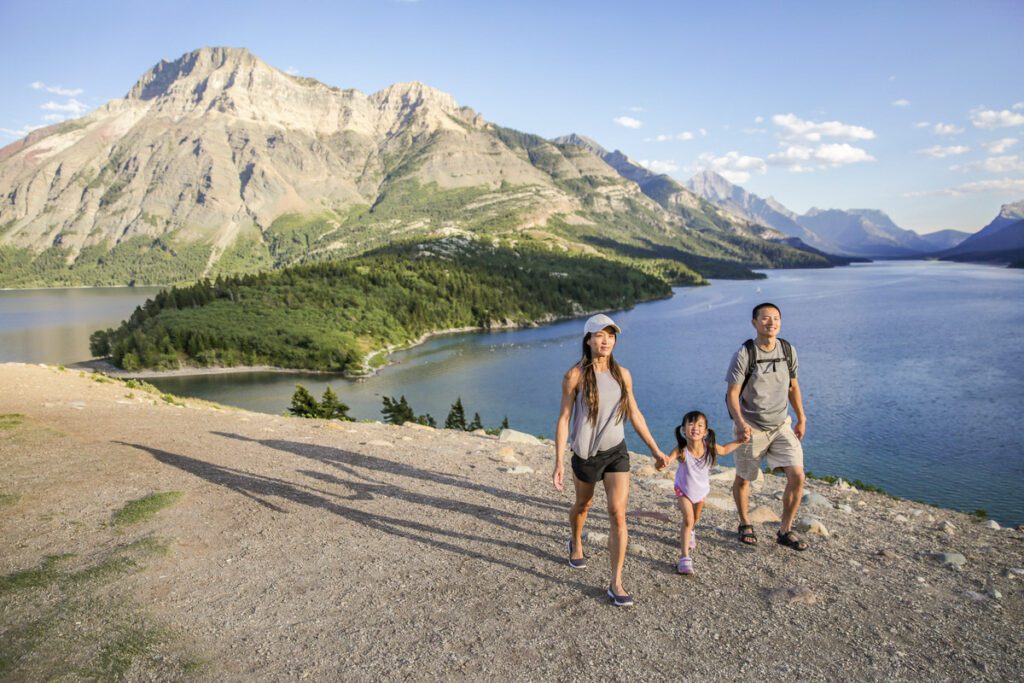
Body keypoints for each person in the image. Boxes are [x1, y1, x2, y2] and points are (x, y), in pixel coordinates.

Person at [552, 313, 668, 607]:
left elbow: (635, 414)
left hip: (616, 451)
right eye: (599, 335)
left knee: (618, 514)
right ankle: (575, 541)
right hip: (586, 454)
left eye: (611, 335)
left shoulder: (622, 374)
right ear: (588, 340)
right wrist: (559, 462)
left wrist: (655, 449)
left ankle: (616, 582)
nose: (606, 341)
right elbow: (564, 418)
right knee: (583, 505)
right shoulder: (574, 376)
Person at [725, 302, 809, 551]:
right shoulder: (745, 353)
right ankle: (744, 523)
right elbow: (732, 393)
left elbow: (793, 386)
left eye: (775, 318)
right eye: (765, 318)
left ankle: (785, 530)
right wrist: (740, 423)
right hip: (751, 426)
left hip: (781, 424)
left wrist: (801, 417)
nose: (771, 323)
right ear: (754, 323)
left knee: (798, 476)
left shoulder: (787, 349)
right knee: (744, 479)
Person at [665, 410, 748, 574]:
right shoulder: (682, 450)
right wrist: (663, 462)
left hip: (701, 490)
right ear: (683, 429)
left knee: (695, 519)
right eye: (690, 424)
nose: (695, 428)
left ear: (705, 431)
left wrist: (740, 441)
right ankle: (684, 558)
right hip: (683, 490)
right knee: (688, 520)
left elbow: (724, 450)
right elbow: (669, 459)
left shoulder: (708, 447)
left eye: (699, 425)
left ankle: (691, 532)